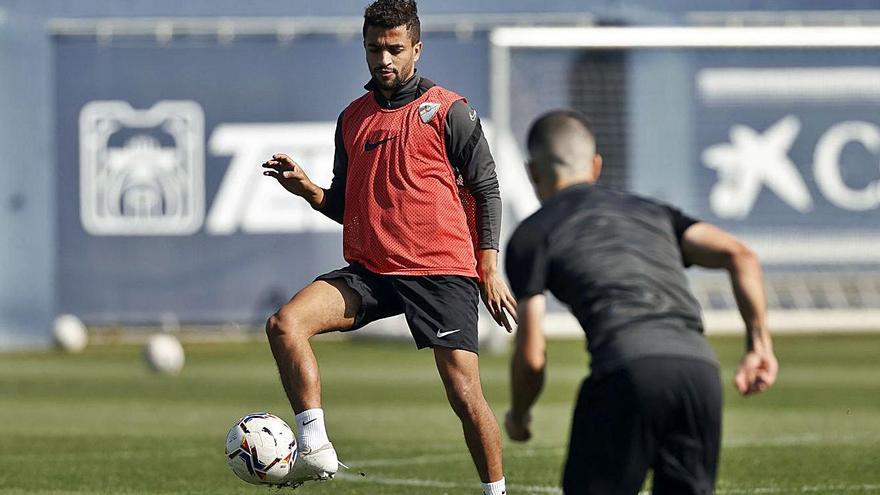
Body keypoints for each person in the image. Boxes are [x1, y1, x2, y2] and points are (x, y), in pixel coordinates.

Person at [260, 1, 515, 493]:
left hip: (439, 268)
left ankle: (495, 491)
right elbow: (347, 206)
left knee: (464, 393)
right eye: (375, 49)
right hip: (372, 269)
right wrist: (309, 189)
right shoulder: (352, 119)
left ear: (416, 50)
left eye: (395, 49)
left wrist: (488, 266)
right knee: (285, 324)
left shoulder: (448, 110)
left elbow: (486, 188)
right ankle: (315, 449)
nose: (385, 59)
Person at [503, 110, 778, 495]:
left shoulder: (532, 235)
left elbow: (532, 356)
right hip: (699, 373)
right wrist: (759, 346)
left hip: (627, 371)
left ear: (533, 172)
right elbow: (741, 256)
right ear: (596, 165)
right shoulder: (654, 212)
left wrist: (519, 415)